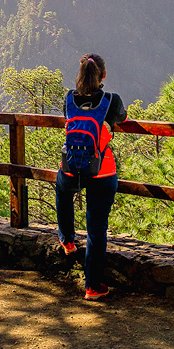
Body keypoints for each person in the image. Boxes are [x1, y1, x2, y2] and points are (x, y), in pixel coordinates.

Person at [56, 53, 127, 301]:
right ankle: (93, 286)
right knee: (96, 229)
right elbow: (122, 118)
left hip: (72, 167)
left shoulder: (68, 99)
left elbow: (69, 119)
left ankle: (67, 240)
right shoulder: (111, 100)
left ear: (80, 75)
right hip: (102, 171)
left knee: (62, 190)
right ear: (103, 76)